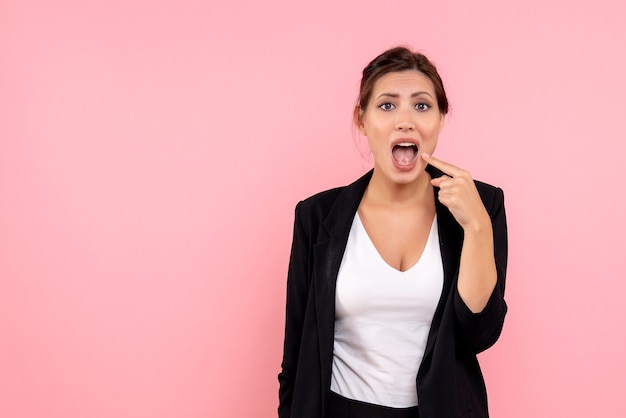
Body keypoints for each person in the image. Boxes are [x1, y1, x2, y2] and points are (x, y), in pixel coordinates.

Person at [278, 46, 508, 418]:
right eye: (387, 105)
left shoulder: (481, 204)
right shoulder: (317, 215)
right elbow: (296, 354)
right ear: (362, 120)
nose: (405, 120)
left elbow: (478, 335)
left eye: (421, 106)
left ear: (441, 119)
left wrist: (478, 227)